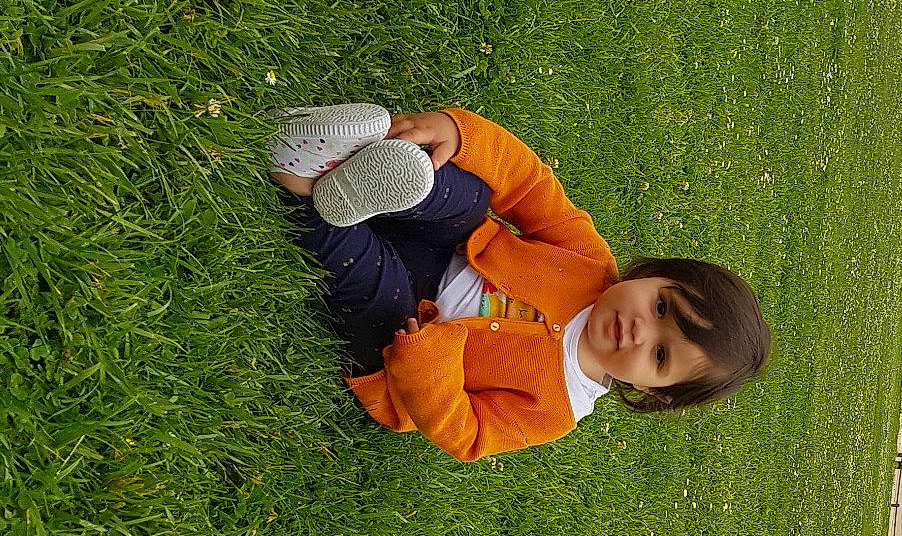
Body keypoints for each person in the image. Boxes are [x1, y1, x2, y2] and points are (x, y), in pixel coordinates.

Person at [269, 103, 771, 462]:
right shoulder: (589, 261)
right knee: (465, 201)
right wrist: (458, 132)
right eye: (661, 308)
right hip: (444, 248)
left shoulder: (557, 410)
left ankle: (302, 176)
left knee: (379, 293)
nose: (641, 332)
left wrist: (426, 364)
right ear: (652, 275)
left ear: (651, 390)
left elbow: (467, 434)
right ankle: (381, 162)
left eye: (660, 356)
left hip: (404, 338)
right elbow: (529, 185)